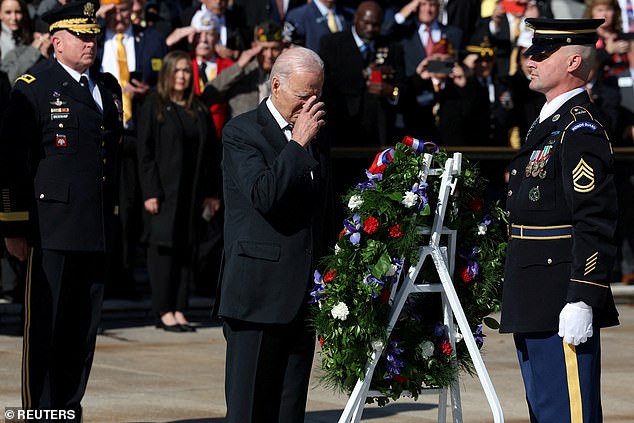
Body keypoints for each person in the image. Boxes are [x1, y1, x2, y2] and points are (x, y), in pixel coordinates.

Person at [0, 0, 123, 419]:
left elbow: (112, 159)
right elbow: (14, 164)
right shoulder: (33, 86)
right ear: (57, 41)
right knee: (45, 330)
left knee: (81, 333)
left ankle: (69, 409)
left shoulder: (107, 88)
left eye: (94, 35)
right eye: (81, 36)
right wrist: (13, 226)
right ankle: (39, 412)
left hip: (96, 228)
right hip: (50, 229)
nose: (91, 42)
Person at [500, 17, 620, 423]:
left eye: (541, 53)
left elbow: (595, 220)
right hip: (534, 291)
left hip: (558, 295)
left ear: (572, 61)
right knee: (547, 409)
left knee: (568, 413)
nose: (530, 60)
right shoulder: (548, 122)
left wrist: (584, 295)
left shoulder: (578, 128)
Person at [215, 46, 333, 422]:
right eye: (303, 95)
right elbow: (263, 195)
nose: (310, 104)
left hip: (301, 296)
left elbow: (321, 208)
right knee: (250, 410)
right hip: (257, 296)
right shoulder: (243, 131)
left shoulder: (316, 133)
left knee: (288, 412)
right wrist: (297, 144)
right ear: (276, 85)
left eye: (317, 94)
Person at [137, 50, 222, 332]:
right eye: (177, 71)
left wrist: (211, 193)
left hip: (191, 192)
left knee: (186, 250)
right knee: (163, 252)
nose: (182, 76)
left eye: (187, 71)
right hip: (163, 193)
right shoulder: (154, 105)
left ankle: (179, 308)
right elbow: (145, 152)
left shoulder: (196, 108)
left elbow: (210, 154)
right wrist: (150, 191)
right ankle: (163, 309)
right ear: (168, 73)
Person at [95, 0, 168, 300]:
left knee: (136, 208)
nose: (120, 16)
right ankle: (111, 275)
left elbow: (166, 75)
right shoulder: (95, 37)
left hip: (140, 130)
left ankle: (128, 275)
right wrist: (99, 20)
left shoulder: (150, 37)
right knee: (112, 208)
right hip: (106, 132)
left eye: (123, 9)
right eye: (113, 11)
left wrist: (148, 91)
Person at [201, 20, 286, 119]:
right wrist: (239, 66)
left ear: (282, 48)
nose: (269, 55)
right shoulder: (241, 73)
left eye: (274, 49)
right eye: (263, 49)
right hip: (242, 132)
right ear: (254, 46)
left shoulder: (286, 75)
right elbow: (208, 95)